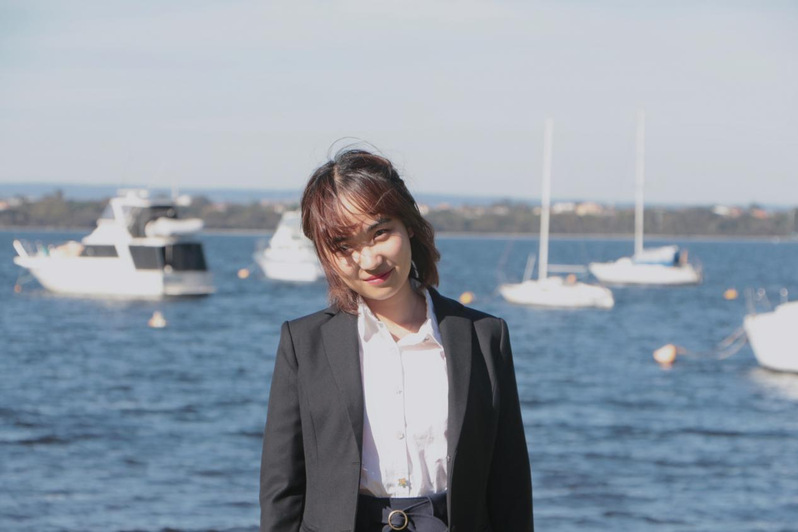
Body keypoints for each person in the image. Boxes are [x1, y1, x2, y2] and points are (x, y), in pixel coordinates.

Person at [260, 148, 533, 532]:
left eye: (380, 233)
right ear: (326, 256)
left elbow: (510, 488)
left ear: (409, 225)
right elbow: (282, 492)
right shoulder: (303, 344)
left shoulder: (484, 337)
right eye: (344, 246)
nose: (369, 259)